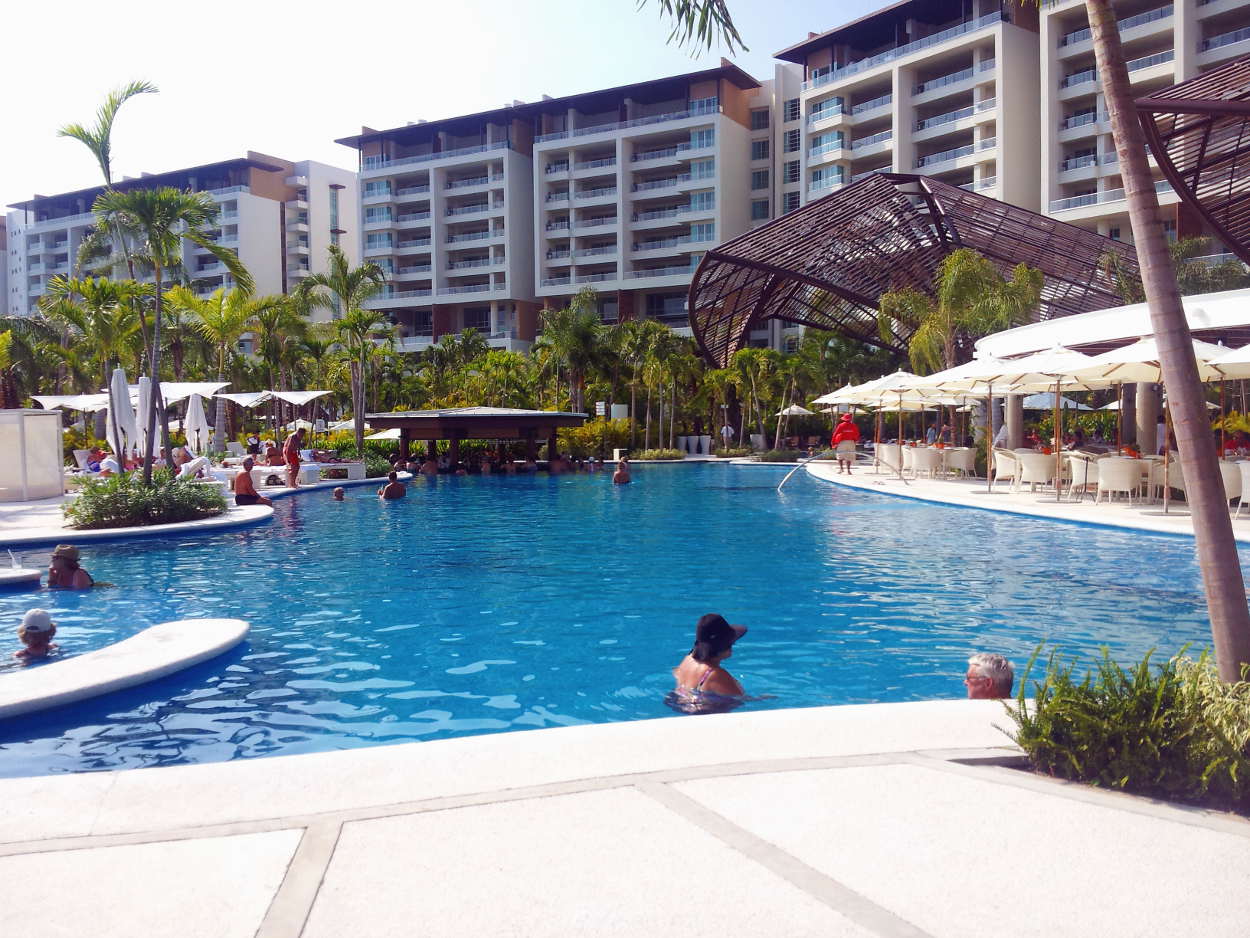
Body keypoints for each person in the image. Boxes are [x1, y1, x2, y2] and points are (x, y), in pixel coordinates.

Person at [668, 613, 747, 713]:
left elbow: (675, 673)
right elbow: (742, 699)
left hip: (679, 703)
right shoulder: (716, 675)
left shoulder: (687, 659)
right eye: (731, 642)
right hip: (705, 712)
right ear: (723, 646)